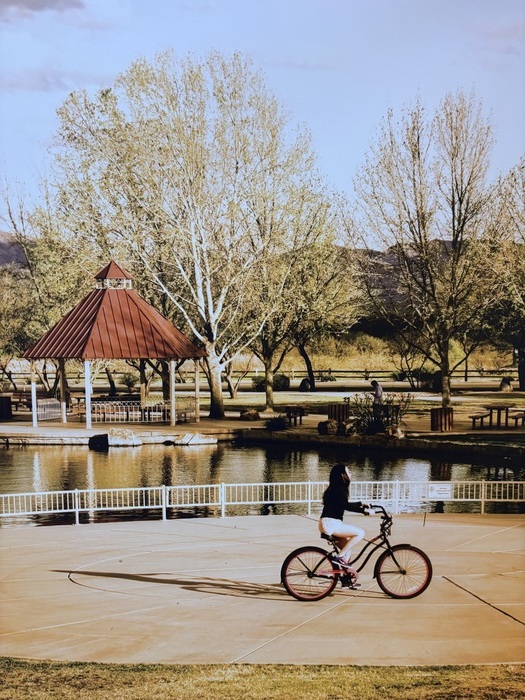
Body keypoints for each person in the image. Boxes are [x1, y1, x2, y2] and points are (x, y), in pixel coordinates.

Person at [318, 464, 370, 578]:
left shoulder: (335, 489)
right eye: (348, 471)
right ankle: (340, 557)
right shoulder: (339, 490)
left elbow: (344, 504)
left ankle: (345, 578)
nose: (350, 474)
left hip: (328, 522)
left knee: (348, 549)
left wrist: (361, 504)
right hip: (331, 523)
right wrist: (363, 511)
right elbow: (346, 506)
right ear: (342, 475)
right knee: (360, 533)